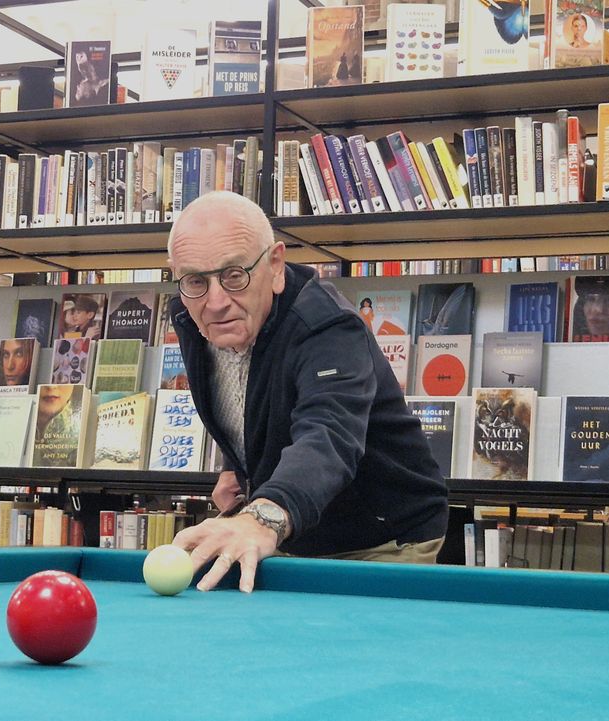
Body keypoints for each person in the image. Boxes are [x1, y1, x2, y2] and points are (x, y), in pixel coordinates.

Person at [166, 192, 448, 593]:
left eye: (234, 275)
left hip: (383, 539)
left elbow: (328, 435)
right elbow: (248, 391)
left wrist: (260, 519)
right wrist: (236, 462)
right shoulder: (188, 314)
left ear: (275, 265)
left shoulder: (329, 328)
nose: (215, 302)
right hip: (296, 531)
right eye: (196, 280)